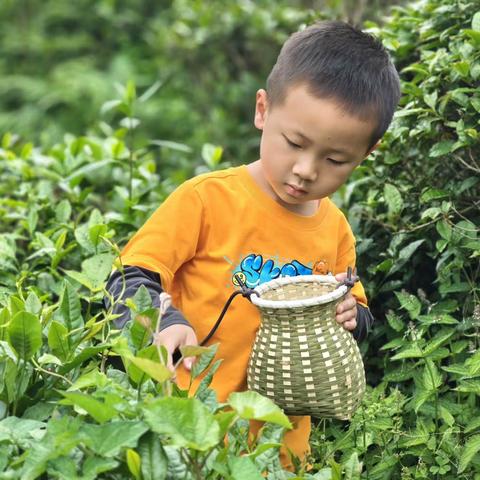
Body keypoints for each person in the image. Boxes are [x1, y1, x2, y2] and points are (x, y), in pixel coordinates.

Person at [105, 20, 401, 468]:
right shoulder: (206, 200)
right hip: (189, 436)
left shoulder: (335, 228)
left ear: (367, 153)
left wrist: (351, 316)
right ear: (263, 110)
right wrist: (163, 320)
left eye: (335, 159)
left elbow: (356, 311)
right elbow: (128, 276)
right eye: (294, 143)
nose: (305, 169)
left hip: (279, 455)